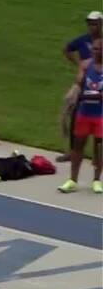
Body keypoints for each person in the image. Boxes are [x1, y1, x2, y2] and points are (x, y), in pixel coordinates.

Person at [59, 36, 103, 194]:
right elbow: (78, 86)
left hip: (100, 115)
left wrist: (86, 96)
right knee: (78, 147)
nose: (97, 52)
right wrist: (69, 106)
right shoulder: (86, 65)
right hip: (84, 113)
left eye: (100, 49)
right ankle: (72, 180)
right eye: (95, 49)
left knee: (99, 148)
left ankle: (97, 180)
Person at [58, 11, 102, 161]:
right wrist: (79, 65)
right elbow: (67, 49)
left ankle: (98, 156)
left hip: (100, 85)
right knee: (75, 114)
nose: (91, 26)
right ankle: (72, 151)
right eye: (89, 23)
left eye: (95, 23)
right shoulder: (83, 40)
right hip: (83, 83)